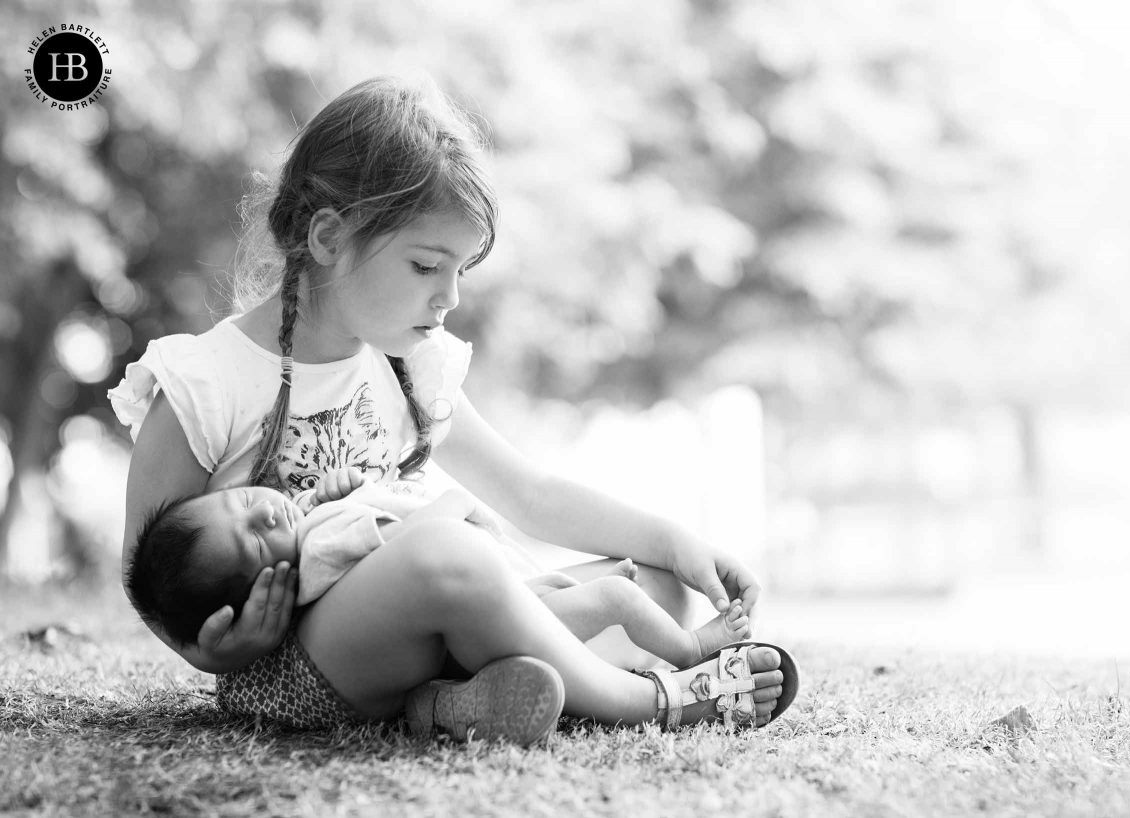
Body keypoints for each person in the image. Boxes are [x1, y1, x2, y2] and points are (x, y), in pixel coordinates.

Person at [109, 74, 799, 746]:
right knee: (445, 554)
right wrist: (220, 654)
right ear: (327, 239)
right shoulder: (204, 381)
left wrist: (678, 545)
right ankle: (647, 698)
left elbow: (531, 493)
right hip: (306, 667)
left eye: (459, 271)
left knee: (656, 587)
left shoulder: (410, 364)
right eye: (425, 266)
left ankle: (446, 705)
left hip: (439, 618)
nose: (449, 298)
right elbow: (155, 582)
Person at [128, 467, 754, 671]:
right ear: (270, 584)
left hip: (499, 599)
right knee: (620, 596)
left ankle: (476, 699)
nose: (265, 519)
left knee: (651, 583)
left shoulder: (312, 533)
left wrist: (346, 492)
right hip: (499, 598)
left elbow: (365, 533)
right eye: (258, 550)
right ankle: (693, 653)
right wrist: (453, 503)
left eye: (242, 503)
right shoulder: (318, 548)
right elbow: (419, 537)